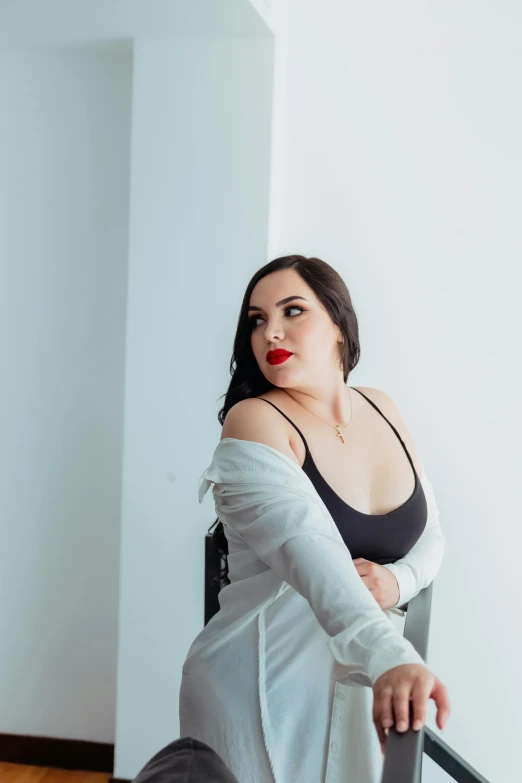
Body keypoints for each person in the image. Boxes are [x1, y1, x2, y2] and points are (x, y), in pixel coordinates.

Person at [179, 255, 450, 783]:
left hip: (355, 683)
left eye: (292, 310)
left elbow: (432, 533)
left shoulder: (382, 408)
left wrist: (397, 581)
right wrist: (392, 657)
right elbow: (314, 559)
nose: (269, 332)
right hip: (261, 684)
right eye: (256, 320)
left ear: (338, 325)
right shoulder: (255, 420)